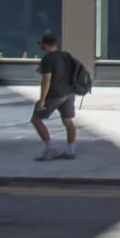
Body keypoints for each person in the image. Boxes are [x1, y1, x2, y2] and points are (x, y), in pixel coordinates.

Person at [31, 32, 77, 161]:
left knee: (36, 119)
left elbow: (47, 80)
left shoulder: (48, 59)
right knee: (68, 121)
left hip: (55, 94)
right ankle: (70, 150)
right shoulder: (66, 55)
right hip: (69, 92)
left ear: (45, 45)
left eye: (42, 45)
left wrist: (42, 99)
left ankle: (50, 149)